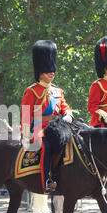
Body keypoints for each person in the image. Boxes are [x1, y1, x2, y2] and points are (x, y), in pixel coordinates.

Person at [21, 40, 73, 193]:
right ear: (40, 71)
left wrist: (68, 114)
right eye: (48, 70)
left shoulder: (58, 91)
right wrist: (26, 135)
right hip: (39, 129)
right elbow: (26, 116)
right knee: (45, 146)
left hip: (58, 127)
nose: (52, 72)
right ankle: (45, 181)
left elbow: (65, 106)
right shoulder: (31, 91)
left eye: (52, 70)